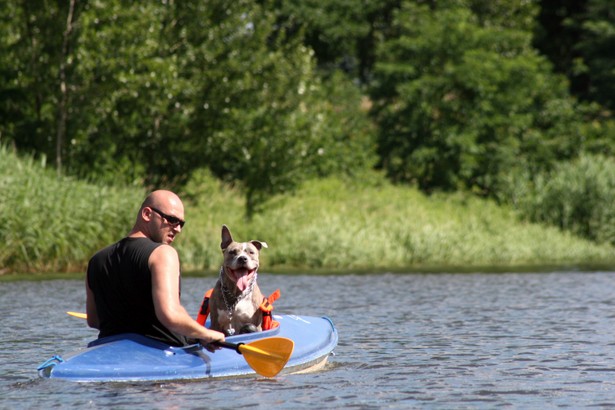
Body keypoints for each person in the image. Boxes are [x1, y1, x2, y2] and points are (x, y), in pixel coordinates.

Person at [85, 190, 225, 349]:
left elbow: (94, 320)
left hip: (109, 351)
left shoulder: (95, 260)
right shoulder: (163, 253)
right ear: (147, 214)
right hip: (162, 352)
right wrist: (206, 334)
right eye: (172, 220)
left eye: (181, 223)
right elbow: (170, 315)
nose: (178, 229)